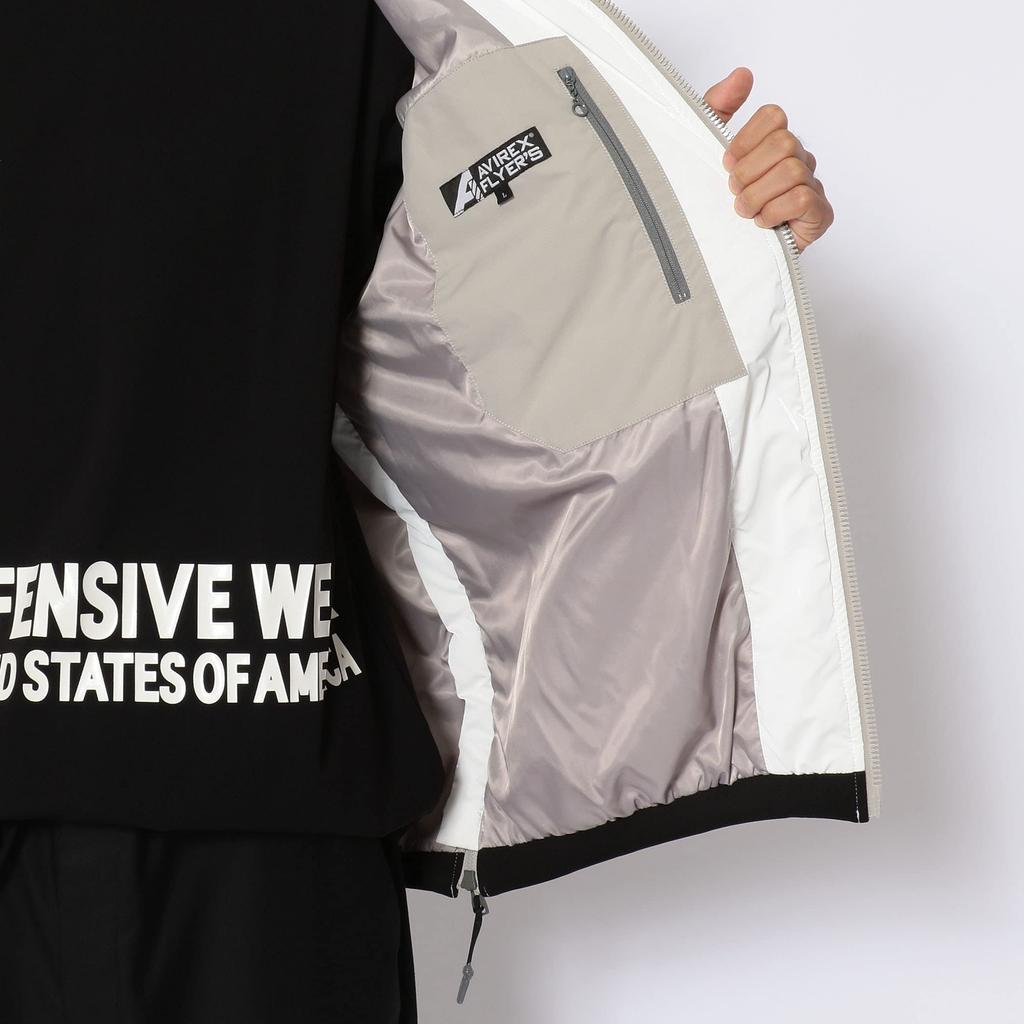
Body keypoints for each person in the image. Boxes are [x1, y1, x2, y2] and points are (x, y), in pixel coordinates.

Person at [0, 3, 836, 1022]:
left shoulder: (374, 26)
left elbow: (489, 341)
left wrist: (697, 224)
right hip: (262, 788)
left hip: (268, 823)